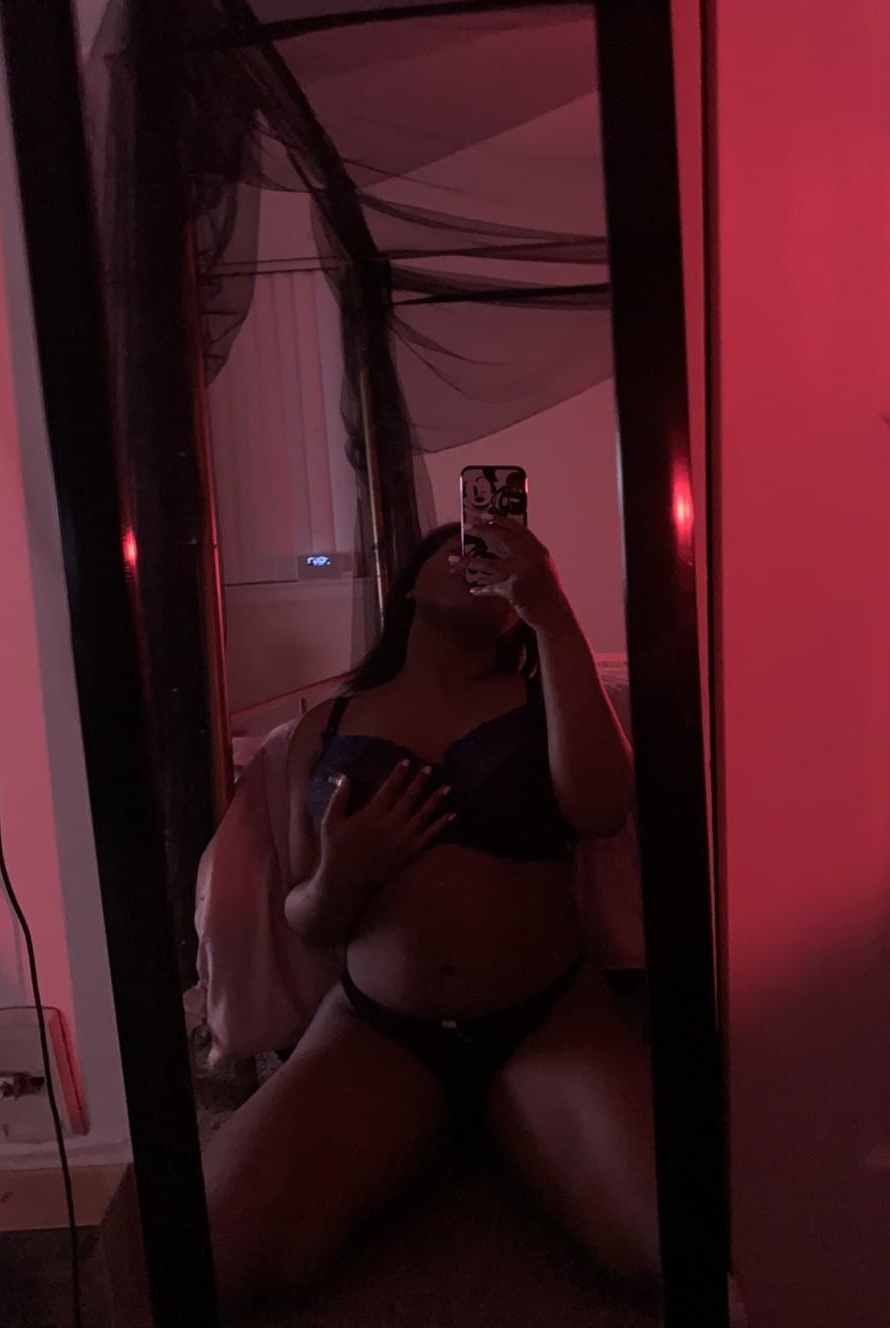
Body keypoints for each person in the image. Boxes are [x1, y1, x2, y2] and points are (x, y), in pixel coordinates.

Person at [203, 519, 660, 1311]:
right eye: (460, 547)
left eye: (498, 554)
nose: (477, 559)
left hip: (546, 1023)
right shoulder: (325, 725)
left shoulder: (546, 695)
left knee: (670, 1241)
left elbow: (601, 806)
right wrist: (345, 872)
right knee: (215, 1245)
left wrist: (553, 614)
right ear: (409, 584)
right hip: (377, 1031)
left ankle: (504, 1124)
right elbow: (308, 920)